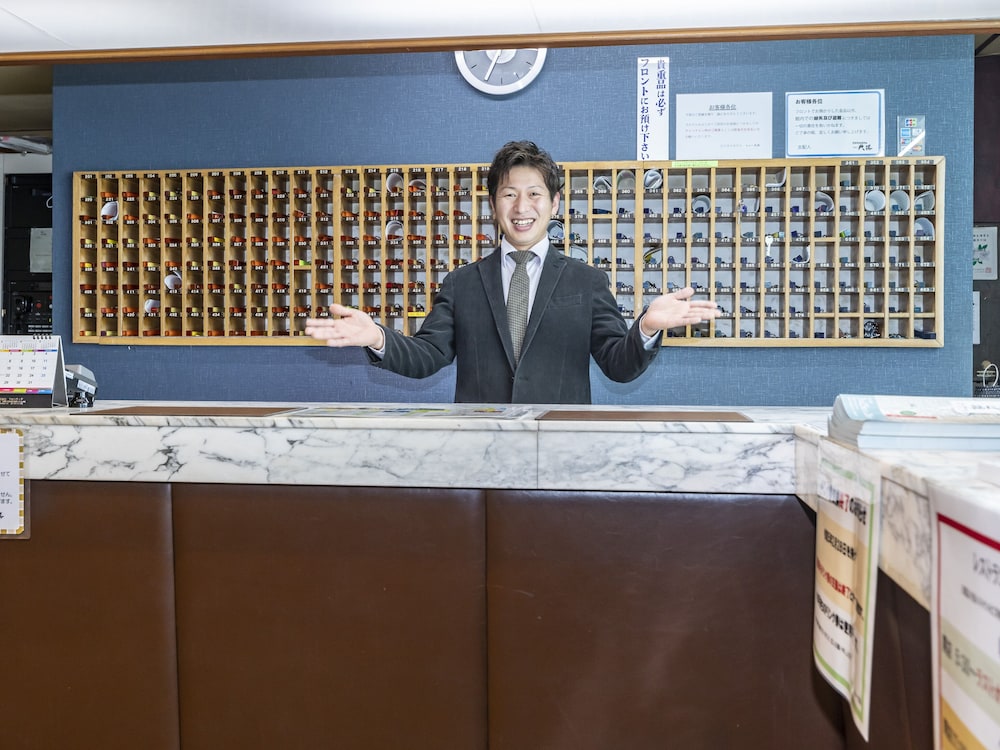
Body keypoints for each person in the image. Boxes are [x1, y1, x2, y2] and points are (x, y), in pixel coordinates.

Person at [305, 141, 719, 404]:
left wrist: (646, 326)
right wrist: (378, 337)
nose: (522, 207)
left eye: (534, 194)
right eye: (509, 194)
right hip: (481, 450)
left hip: (561, 451)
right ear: (493, 204)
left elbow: (618, 365)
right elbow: (428, 355)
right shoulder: (462, 283)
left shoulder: (586, 281)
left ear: (554, 203)